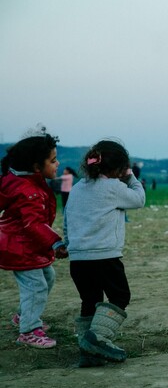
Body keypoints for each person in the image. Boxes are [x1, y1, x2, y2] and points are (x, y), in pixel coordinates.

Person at [64, 139, 145, 366]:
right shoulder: (115, 187)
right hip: (105, 256)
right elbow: (139, 199)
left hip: (78, 258)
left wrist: (66, 243)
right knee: (120, 296)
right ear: (119, 168)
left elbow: (68, 219)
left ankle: (88, 353)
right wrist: (131, 178)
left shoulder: (77, 188)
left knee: (90, 300)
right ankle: (98, 339)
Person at [0, 132, 68, 349]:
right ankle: (28, 330)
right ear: (37, 167)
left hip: (23, 245)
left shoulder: (17, 181)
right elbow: (34, 225)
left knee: (47, 278)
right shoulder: (30, 191)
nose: (58, 164)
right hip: (20, 247)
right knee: (36, 286)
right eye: (53, 160)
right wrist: (56, 242)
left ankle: (24, 315)